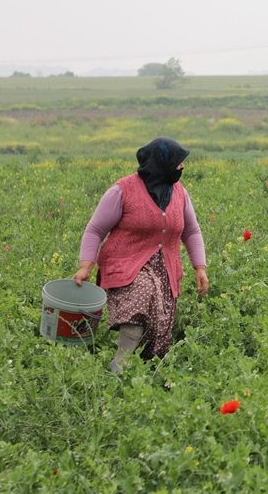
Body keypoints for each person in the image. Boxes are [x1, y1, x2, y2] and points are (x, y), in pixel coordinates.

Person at [73, 137, 208, 373]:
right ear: (161, 163)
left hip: (165, 271)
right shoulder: (122, 190)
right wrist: (86, 266)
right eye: (178, 162)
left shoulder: (179, 193)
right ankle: (119, 367)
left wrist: (200, 267)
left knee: (157, 331)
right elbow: (95, 229)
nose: (182, 167)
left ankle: (138, 381)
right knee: (137, 309)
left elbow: (191, 231)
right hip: (125, 266)